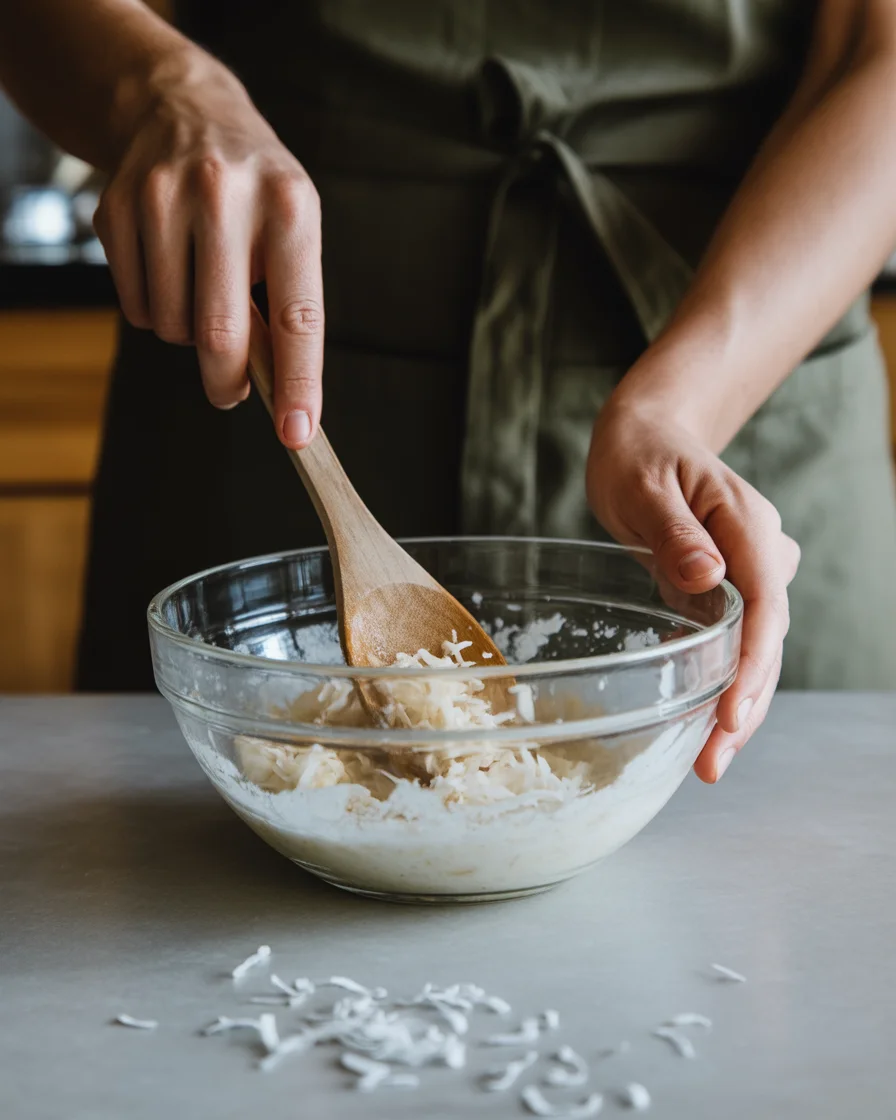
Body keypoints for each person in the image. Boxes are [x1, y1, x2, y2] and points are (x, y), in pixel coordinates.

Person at [2, 1, 895, 783]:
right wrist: (156, 84)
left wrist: (680, 405)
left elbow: (879, 49)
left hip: (745, 355)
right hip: (263, 337)